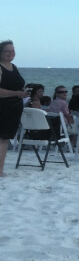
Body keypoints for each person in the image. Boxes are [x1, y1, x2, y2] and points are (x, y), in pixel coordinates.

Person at [0, 40, 28, 177]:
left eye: (13, 51)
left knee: (5, 139)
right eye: (7, 51)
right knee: (1, 139)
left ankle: (0, 169)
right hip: (3, 108)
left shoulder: (13, 67)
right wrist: (16, 93)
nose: (11, 53)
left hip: (14, 108)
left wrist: (22, 91)